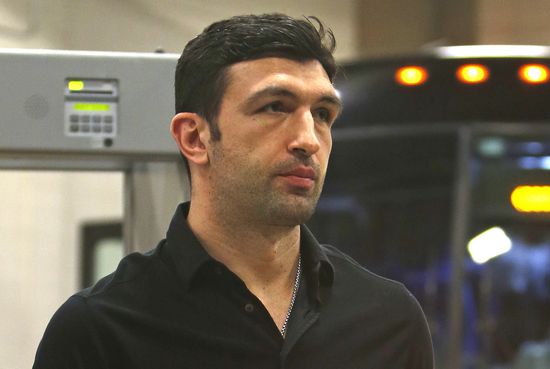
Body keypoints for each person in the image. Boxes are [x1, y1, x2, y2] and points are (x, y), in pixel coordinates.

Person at [33, 13, 434, 369]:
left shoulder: (388, 320)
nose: (308, 140)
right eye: (275, 107)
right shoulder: (99, 331)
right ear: (194, 137)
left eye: (323, 114)